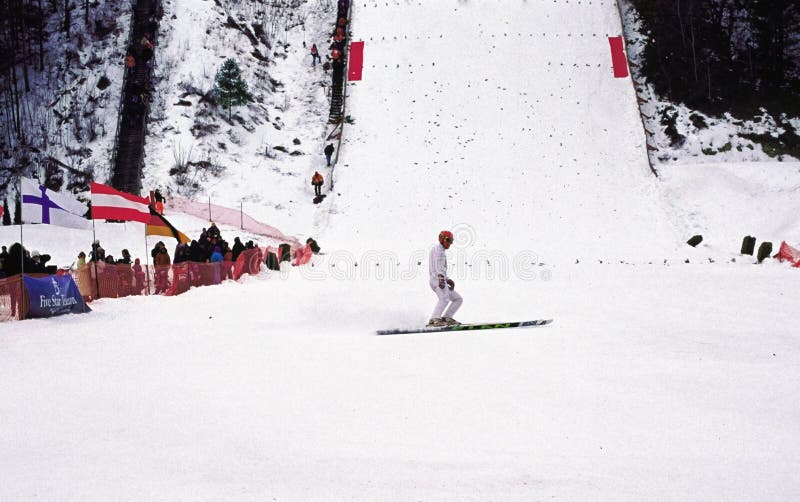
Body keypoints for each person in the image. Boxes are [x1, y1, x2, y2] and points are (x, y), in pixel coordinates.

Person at [427, 230, 463, 327]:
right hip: (437, 280)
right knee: (444, 299)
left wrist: (447, 279)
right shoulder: (439, 251)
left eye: (451, 241)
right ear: (441, 239)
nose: (450, 243)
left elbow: (439, 268)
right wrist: (442, 279)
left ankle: (447, 317)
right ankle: (434, 319)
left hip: (439, 279)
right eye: (448, 240)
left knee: (458, 299)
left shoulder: (438, 250)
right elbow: (438, 268)